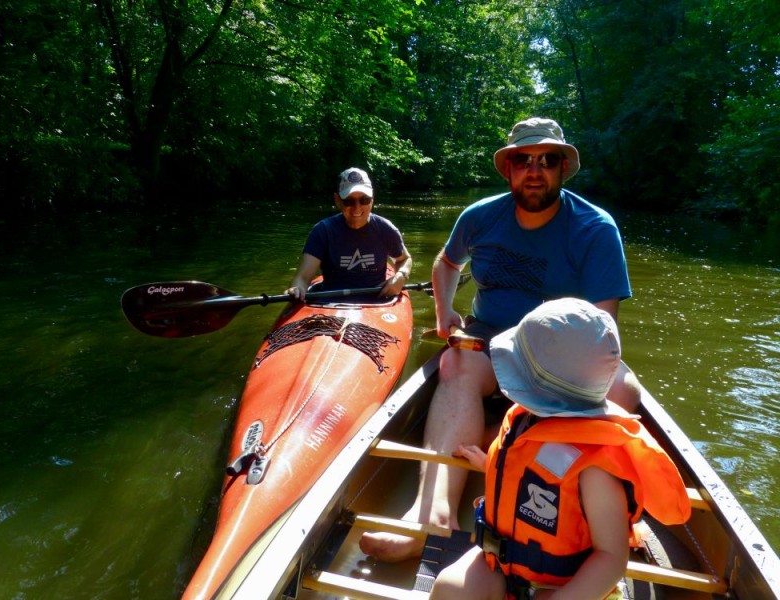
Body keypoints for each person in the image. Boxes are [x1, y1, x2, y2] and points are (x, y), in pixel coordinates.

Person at [359, 117, 641, 562]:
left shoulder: (596, 228)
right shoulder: (480, 217)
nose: (535, 171)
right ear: (509, 168)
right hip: (490, 339)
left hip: (561, 353)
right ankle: (431, 515)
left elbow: (602, 331)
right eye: (523, 160)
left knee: (624, 390)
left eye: (547, 161)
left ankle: (499, 438)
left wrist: (562, 382)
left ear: (563, 168)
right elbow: (446, 264)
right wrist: (445, 313)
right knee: (454, 362)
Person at [430, 298, 691, 600]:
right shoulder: (523, 420)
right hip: (502, 564)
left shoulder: (595, 465)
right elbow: (526, 472)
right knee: (450, 588)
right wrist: (491, 463)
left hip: (564, 585)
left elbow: (611, 557)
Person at [286, 167, 412, 301]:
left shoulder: (385, 229)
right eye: (349, 201)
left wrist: (401, 275)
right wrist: (297, 288)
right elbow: (302, 278)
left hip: (376, 300)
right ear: (337, 200)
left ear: (372, 199)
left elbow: (404, 259)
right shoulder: (322, 231)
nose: (357, 207)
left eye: (364, 200)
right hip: (330, 303)